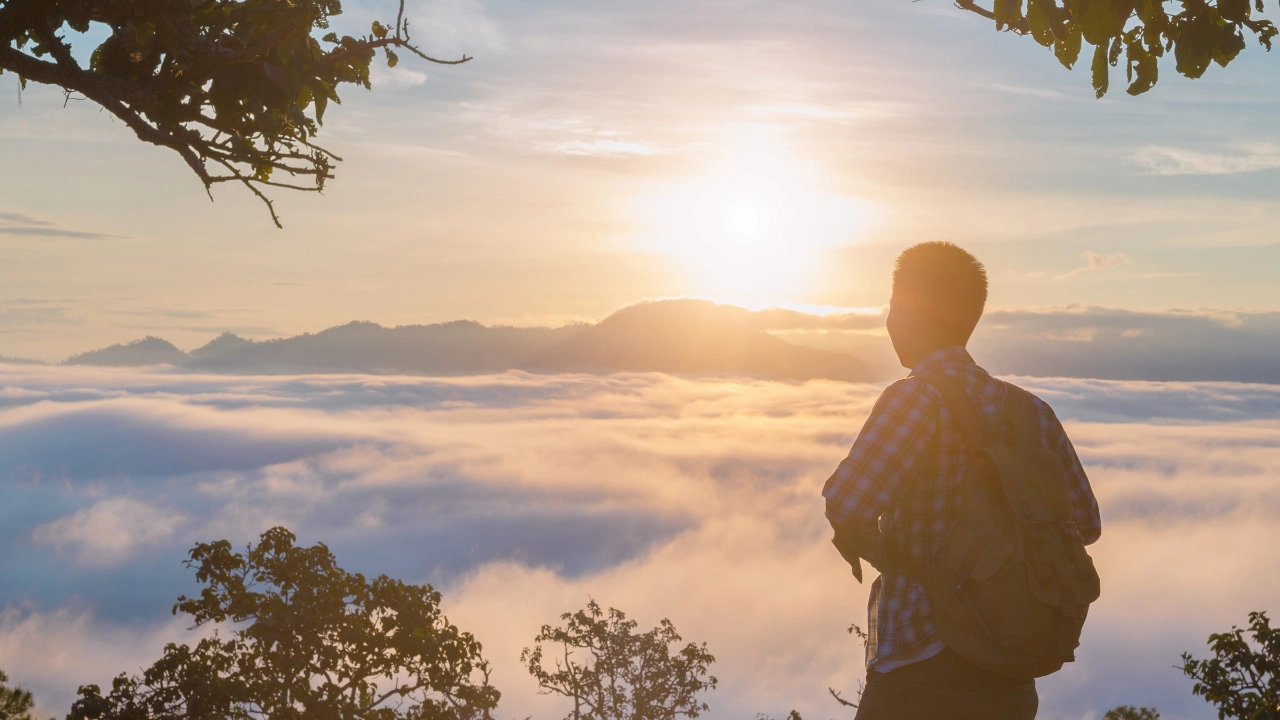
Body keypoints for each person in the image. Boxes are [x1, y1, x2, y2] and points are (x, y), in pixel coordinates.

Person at [822, 242, 1102, 720]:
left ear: (911, 312)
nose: (889, 322)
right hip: (1011, 667)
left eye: (894, 307)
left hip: (922, 662)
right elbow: (1086, 523)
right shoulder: (1032, 411)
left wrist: (905, 557)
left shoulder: (914, 400)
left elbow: (847, 503)